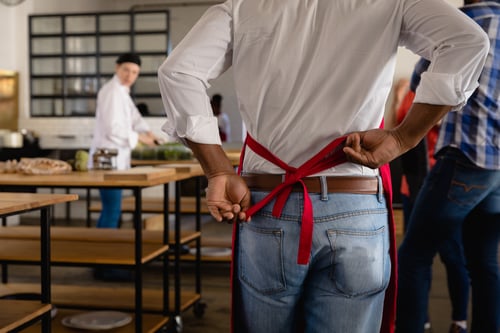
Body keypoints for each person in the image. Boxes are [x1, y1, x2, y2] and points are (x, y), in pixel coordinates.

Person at [158, 1, 488, 332]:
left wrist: (218, 170)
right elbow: (467, 41)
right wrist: (404, 137)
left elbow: (179, 71)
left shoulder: (243, 6)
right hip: (355, 206)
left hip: (268, 203)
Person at [396, 1, 500, 332]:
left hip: (465, 157)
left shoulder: (463, 21)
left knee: (413, 256)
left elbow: (419, 83)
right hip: (496, 169)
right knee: (483, 263)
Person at [397, 58, 470, 333]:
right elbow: (399, 132)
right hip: (412, 185)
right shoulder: (415, 86)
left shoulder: (454, 90)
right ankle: (421, 317)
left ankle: (459, 321)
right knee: (417, 257)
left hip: (443, 186)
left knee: (453, 257)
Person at [89, 53, 157, 280]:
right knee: (111, 210)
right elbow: (113, 130)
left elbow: (134, 115)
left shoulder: (121, 91)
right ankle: (103, 266)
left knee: (112, 210)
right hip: (107, 161)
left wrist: (147, 130)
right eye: (126, 70)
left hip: (114, 160)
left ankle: (104, 261)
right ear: (117, 67)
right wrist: (141, 139)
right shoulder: (111, 91)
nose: (130, 75)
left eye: (135, 72)